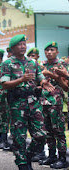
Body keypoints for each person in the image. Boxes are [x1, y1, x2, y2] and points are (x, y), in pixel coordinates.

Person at [0, 34, 55, 170]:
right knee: (19, 137)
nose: (23, 46)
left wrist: (43, 82)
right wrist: (21, 80)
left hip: (34, 103)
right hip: (17, 105)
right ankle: (22, 163)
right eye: (19, 44)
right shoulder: (8, 64)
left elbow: (40, 77)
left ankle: (27, 156)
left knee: (41, 135)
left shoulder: (32, 62)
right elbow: (5, 84)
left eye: (24, 44)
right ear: (13, 48)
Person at [38, 41, 68, 169]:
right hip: (43, 102)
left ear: (57, 52)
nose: (49, 52)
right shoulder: (41, 65)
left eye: (52, 50)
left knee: (59, 130)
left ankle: (62, 158)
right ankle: (51, 156)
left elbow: (66, 87)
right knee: (47, 130)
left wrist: (53, 76)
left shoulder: (61, 65)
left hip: (56, 103)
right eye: (47, 50)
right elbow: (36, 84)